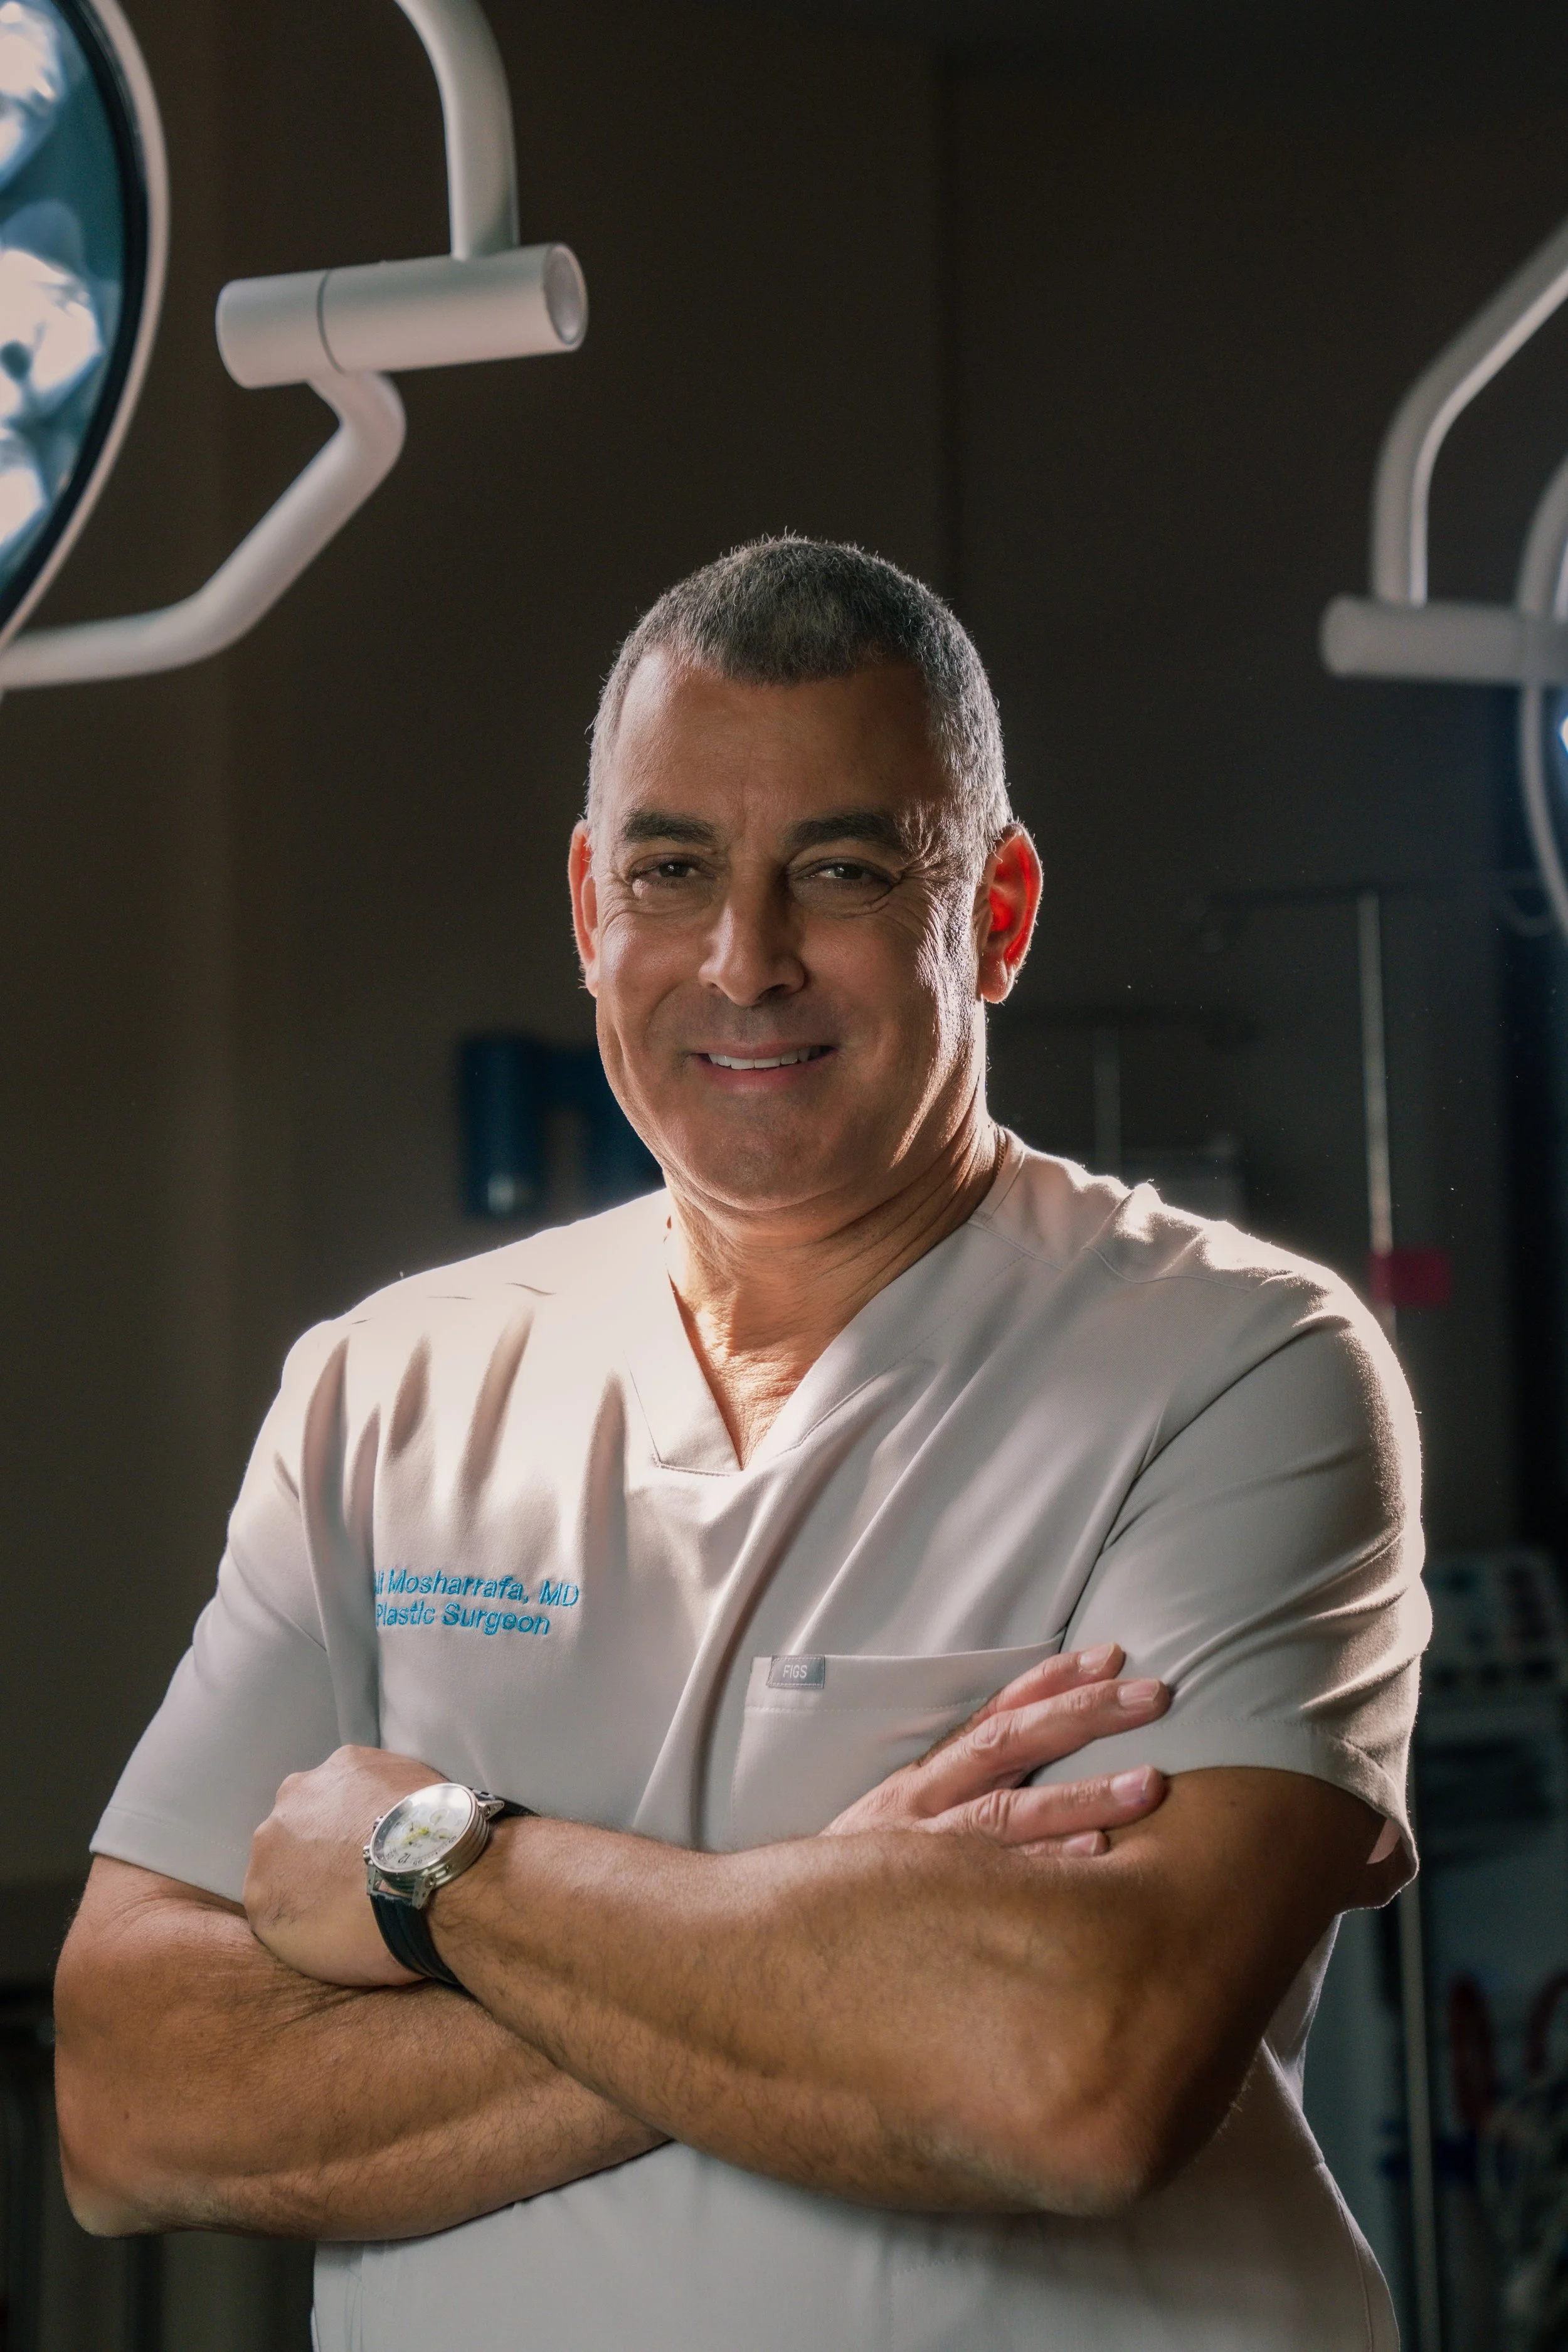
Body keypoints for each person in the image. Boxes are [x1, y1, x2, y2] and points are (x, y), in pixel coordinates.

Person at [55, 538, 1428, 2352]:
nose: (744, 957)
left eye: (844, 870)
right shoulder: (382, 1387)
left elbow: (1067, 2078)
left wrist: (431, 1863)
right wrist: (823, 1936)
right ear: (584, 906)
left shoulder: (1235, 1366)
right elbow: (131, 2095)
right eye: (672, 868)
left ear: (997, 913)